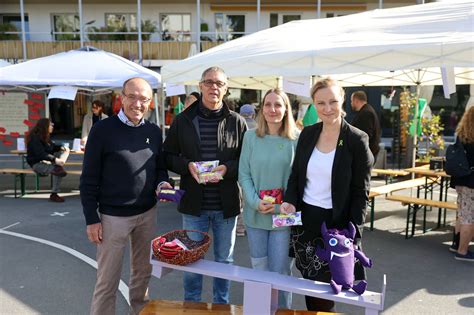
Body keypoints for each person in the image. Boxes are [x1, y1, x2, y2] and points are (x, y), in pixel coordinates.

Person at [280, 78, 373, 312]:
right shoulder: (308, 134)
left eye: (333, 101)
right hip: (306, 223)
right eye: (321, 103)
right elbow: (296, 176)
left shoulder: (356, 139)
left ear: (342, 99)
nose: (328, 108)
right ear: (313, 104)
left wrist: (354, 233)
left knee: (327, 287)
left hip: (336, 226)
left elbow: (361, 192)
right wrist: (290, 201)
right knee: (311, 285)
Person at [80, 77, 171, 314]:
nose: (137, 104)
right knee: (107, 280)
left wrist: (163, 183)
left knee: (143, 274)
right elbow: (88, 178)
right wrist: (92, 218)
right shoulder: (102, 130)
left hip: (147, 213)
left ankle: (139, 311)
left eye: (143, 99)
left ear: (150, 102)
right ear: (122, 98)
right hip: (113, 218)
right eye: (132, 97)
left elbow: (160, 167)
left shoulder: (153, 131)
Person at [163, 66, 247, 304]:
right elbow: (167, 155)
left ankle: (221, 304)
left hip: (226, 204)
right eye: (209, 82)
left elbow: (246, 162)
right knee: (191, 259)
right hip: (194, 205)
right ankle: (192, 305)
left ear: (226, 88)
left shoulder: (237, 122)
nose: (214, 87)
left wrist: (227, 169)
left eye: (219, 83)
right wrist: (187, 166)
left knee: (224, 261)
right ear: (200, 86)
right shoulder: (183, 120)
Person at [238, 88, 299, 309]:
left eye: (278, 105)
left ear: (286, 109)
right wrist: (254, 202)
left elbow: (299, 178)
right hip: (255, 215)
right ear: (261, 109)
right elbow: (243, 174)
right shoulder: (250, 137)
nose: (272, 109)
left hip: (283, 217)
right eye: (268, 104)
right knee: (259, 270)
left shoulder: (296, 140)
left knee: (280, 271)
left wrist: (285, 205)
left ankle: (282, 311)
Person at [449, 106, 474, 262]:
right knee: (469, 218)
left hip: (460, 180)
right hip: (471, 182)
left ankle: (456, 244)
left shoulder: (462, 134)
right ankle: (462, 251)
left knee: (462, 214)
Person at [26, 118, 70, 202]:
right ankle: (54, 194)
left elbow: (52, 147)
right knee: (59, 170)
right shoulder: (35, 138)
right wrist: (55, 160)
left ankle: (54, 194)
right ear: (45, 126)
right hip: (37, 164)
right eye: (51, 125)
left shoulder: (45, 136)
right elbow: (41, 154)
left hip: (46, 161)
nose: (52, 126)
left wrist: (62, 147)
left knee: (59, 168)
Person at [350, 91, 381, 163]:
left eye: (351, 101)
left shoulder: (366, 113)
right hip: (366, 154)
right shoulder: (366, 111)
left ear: (356, 101)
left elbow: (365, 136)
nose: (351, 103)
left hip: (365, 155)